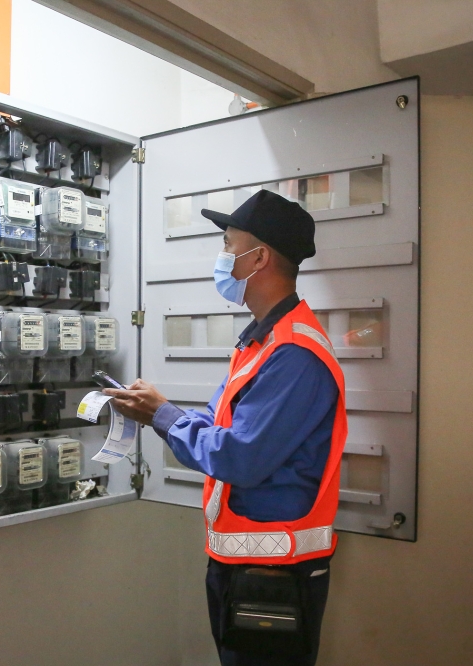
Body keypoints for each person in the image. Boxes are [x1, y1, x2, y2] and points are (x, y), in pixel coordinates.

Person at [104, 190, 347, 666]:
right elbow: (219, 427)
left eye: (228, 244)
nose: (222, 257)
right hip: (242, 565)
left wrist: (163, 414)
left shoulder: (294, 354)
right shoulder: (260, 341)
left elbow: (239, 456)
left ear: (259, 259)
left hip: (276, 574)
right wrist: (159, 410)